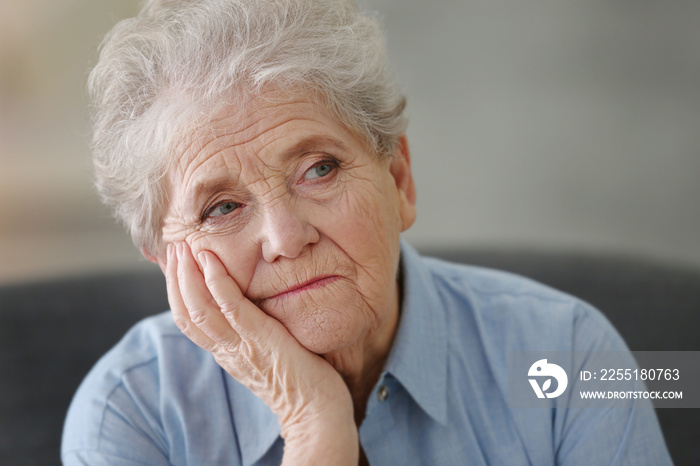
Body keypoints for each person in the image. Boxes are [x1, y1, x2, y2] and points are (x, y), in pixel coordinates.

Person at [62, 0, 672, 464]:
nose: (285, 237)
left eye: (319, 169)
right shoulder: (129, 413)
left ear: (399, 180)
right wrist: (313, 423)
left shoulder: (572, 352)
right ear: (167, 263)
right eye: (221, 208)